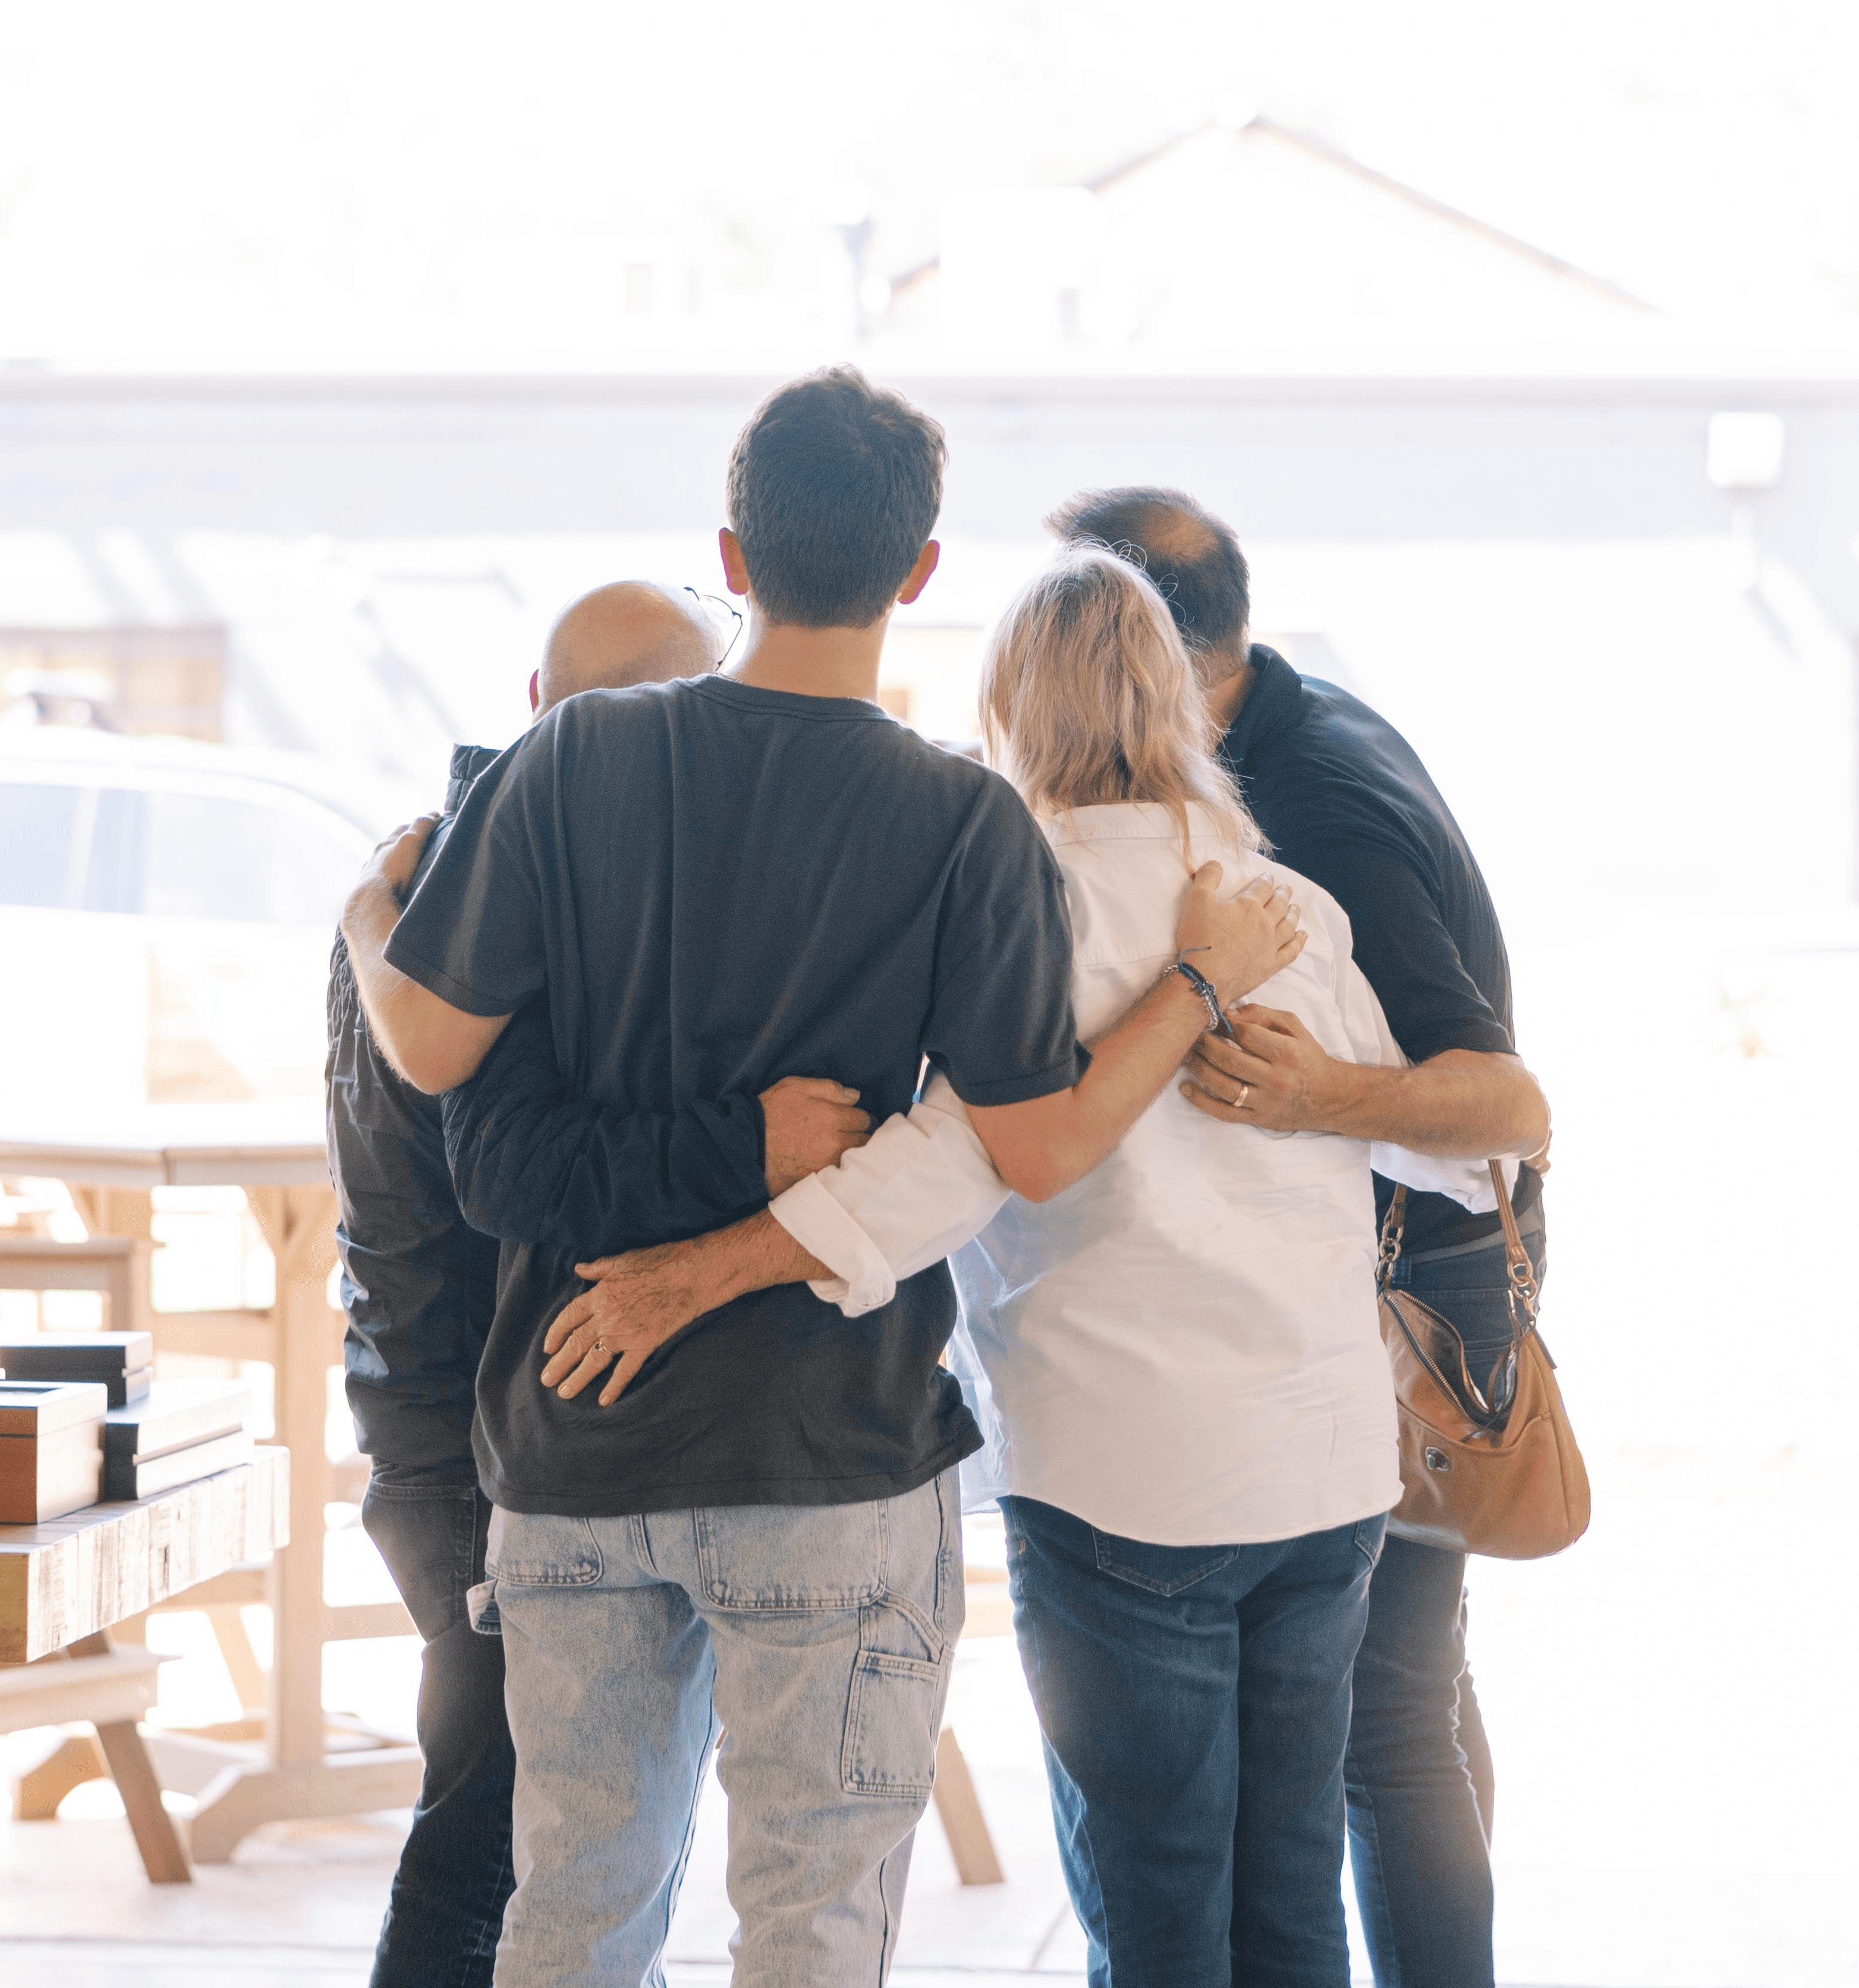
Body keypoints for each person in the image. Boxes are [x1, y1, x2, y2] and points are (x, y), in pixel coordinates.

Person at [338, 367, 1303, 1987]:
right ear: (920, 571)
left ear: (731, 549)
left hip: (572, 1445)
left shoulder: (569, 757)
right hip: (827, 1453)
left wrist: (373, 926)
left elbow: (431, 1057)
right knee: (813, 1929)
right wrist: (1198, 982)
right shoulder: (961, 819)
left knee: (572, 1912)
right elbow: (1037, 1144)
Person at [531, 544, 1482, 1985]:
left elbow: (944, 1166)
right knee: (1290, 1889)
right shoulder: (1284, 907)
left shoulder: (1008, 897)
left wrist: (692, 1275)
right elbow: (1447, 1147)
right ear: (1179, 703)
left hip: (1126, 1482)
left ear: (1010, 711)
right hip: (1325, 1470)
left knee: (1160, 1904)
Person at [329, 577, 871, 1988]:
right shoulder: (507, 885)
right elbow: (514, 1168)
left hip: (436, 1421)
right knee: (501, 1858)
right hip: (480, 1444)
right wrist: (751, 1139)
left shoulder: (421, 878)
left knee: (527, 1847)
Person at [1049, 487, 1550, 1988]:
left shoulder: (1307, 799)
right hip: (1388, 1273)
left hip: (1418, 1282)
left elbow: (1509, 1103)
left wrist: (1314, 1089)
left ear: (1142, 653)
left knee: (1386, 1732)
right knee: (1405, 1716)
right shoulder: (1277, 720)